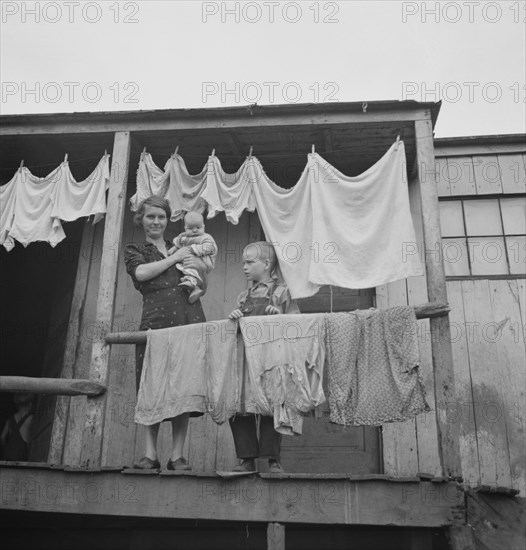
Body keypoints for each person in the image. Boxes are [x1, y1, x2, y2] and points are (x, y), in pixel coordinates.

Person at [124, 196, 208, 471]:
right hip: (156, 320)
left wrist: (200, 285)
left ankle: (177, 456)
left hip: (188, 316)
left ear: (167, 219)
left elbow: (202, 269)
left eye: (161, 216)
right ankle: (150, 454)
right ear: (141, 219)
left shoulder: (183, 242)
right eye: (150, 217)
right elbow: (141, 273)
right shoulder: (136, 249)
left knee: (183, 383)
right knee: (152, 383)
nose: (156, 222)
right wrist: (175, 258)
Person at [228, 241, 300, 473]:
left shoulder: (283, 292)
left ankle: (273, 459)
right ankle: (246, 458)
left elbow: (298, 325)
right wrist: (234, 317)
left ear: (267, 264)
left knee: (272, 405)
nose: (245, 268)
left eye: (250, 262)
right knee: (241, 405)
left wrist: (280, 316)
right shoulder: (243, 296)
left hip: (272, 361)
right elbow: (233, 331)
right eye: (243, 263)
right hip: (246, 360)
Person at [170, 211, 217, 304]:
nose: (195, 230)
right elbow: (178, 242)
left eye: (198, 227)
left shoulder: (206, 237)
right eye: (190, 228)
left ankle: (192, 283)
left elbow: (210, 248)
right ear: (185, 228)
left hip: (204, 261)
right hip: (190, 262)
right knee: (185, 268)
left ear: (203, 226)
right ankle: (195, 288)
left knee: (191, 269)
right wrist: (174, 248)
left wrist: (193, 248)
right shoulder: (183, 236)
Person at [0, 393, 35, 461]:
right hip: (22, 455)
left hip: (9, 455)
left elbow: (2, 438)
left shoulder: (10, 419)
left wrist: (6, 449)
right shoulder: (31, 418)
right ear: (29, 403)